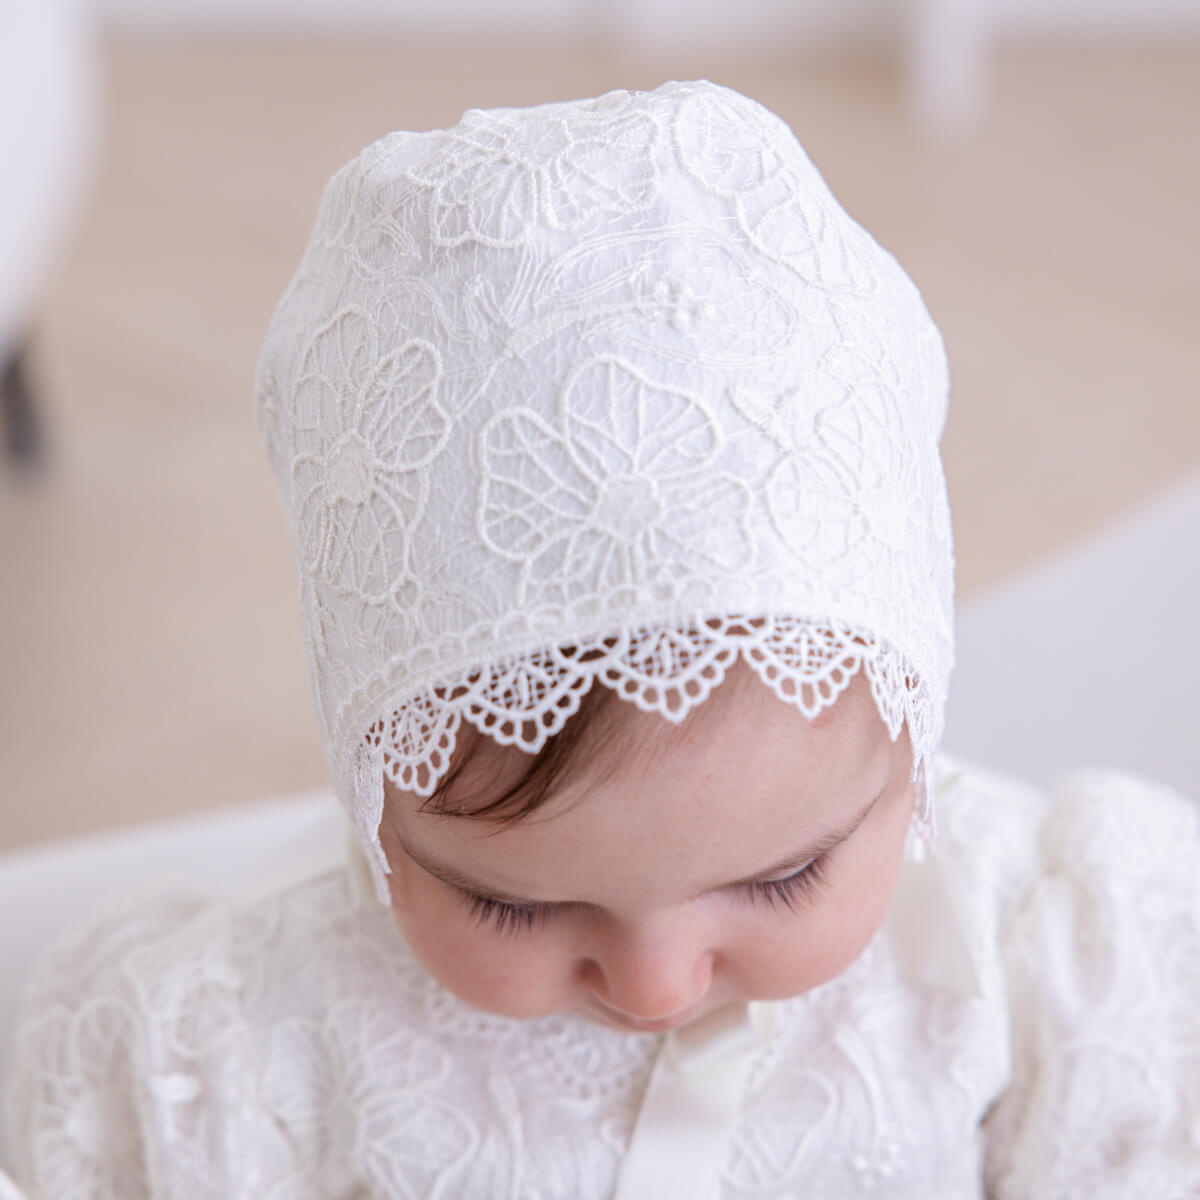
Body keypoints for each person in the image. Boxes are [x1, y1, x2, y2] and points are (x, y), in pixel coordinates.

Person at [3, 79, 1199, 1199]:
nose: (655, 985)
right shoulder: (240, 1051)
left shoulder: (1037, 966)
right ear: (374, 796)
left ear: (909, 743)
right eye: (511, 908)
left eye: (786, 877)